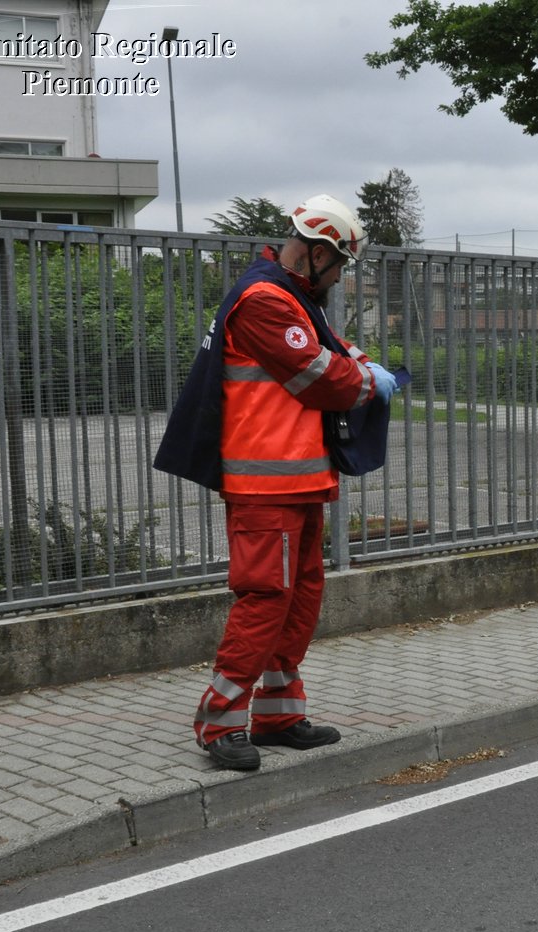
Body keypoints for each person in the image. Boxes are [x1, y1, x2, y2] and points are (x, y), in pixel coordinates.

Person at [153, 193, 400, 771]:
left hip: (298, 480)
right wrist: (368, 382)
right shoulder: (266, 300)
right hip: (265, 485)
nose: (340, 277)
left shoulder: (291, 297)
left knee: (300, 600)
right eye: (339, 264)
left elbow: (336, 351)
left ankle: (277, 715)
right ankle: (219, 722)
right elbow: (323, 376)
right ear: (316, 254)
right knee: (266, 599)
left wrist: (360, 369)